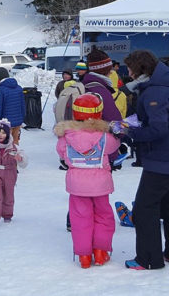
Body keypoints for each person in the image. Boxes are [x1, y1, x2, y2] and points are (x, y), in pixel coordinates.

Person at [119, 50, 169, 270]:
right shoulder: (162, 86)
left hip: (163, 158)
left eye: (130, 68)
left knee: (144, 209)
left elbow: (158, 129)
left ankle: (148, 259)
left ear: (140, 69)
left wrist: (131, 133)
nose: (128, 73)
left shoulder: (155, 93)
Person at [56, 94, 118, 268]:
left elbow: (61, 152)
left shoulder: (66, 136)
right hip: (100, 184)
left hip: (77, 185)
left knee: (80, 219)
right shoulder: (105, 137)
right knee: (103, 216)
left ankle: (83, 256)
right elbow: (114, 147)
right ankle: (100, 252)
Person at [81, 49, 124, 123]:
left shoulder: (85, 85)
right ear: (104, 71)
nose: (111, 72)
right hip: (100, 134)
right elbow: (115, 124)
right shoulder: (102, 92)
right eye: (109, 69)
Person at [0, 67, 25, 144]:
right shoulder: (19, 88)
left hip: (5, 123)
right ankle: (16, 156)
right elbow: (23, 106)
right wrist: (22, 119)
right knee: (15, 144)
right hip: (17, 122)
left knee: (5, 145)